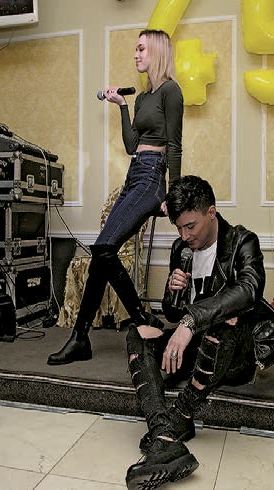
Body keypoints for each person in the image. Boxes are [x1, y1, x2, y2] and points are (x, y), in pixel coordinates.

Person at [125, 175, 270, 489]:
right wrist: (172, 292)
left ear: (211, 212)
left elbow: (249, 290)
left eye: (190, 226)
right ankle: (165, 431)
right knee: (139, 333)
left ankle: (180, 415)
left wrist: (190, 321)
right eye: (179, 228)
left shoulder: (242, 242)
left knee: (228, 317)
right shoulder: (181, 249)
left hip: (233, 353)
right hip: (196, 351)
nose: (185, 235)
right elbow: (171, 313)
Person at [48, 29, 183, 365]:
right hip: (134, 173)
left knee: (103, 248)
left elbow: (175, 145)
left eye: (141, 49)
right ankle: (81, 338)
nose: (136, 54)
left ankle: (138, 318)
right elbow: (130, 145)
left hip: (152, 178)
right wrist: (122, 106)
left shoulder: (171, 91)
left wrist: (174, 194)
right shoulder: (142, 98)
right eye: (135, 49)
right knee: (102, 251)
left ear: (157, 51)